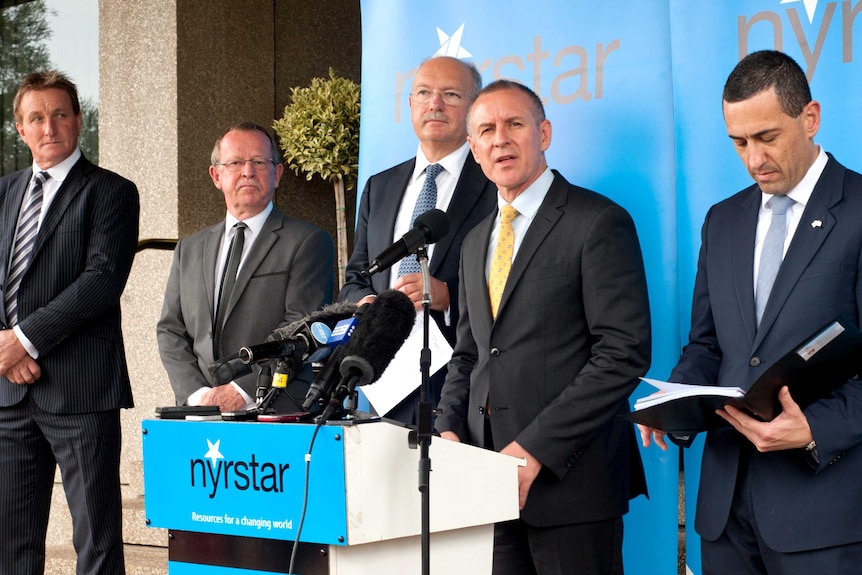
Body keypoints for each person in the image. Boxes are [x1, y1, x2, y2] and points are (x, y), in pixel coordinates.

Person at [638, 50, 862, 574]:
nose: (753, 158)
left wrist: (812, 428)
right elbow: (708, 344)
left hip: (826, 512)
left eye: (767, 137)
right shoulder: (723, 220)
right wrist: (679, 401)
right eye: (738, 142)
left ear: (810, 118)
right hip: (724, 514)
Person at [435, 79, 651, 575]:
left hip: (571, 489)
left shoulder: (598, 221)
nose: (499, 139)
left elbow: (622, 354)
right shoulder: (472, 242)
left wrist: (533, 450)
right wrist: (449, 427)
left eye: (514, 124)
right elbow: (469, 353)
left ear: (545, 132)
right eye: (485, 130)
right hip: (487, 490)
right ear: (473, 148)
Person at [0, 70, 140, 574]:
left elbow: (101, 281)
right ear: (20, 129)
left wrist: (24, 340)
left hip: (81, 392)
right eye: (36, 117)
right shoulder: (3, 193)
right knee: (11, 544)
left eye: (60, 114)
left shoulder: (111, 192)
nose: (49, 126)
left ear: (79, 121)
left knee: (96, 542)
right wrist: (8, 352)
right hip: (10, 398)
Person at [339, 56, 496, 424]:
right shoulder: (380, 186)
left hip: (462, 387)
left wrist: (449, 298)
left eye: (451, 95)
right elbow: (356, 277)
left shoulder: (495, 184)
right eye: (424, 93)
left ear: (474, 108)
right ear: (410, 105)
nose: (434, 104)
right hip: (382, 380)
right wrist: (365, 303)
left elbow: (515, 284)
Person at [157, 122, 333, 413]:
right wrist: (197, 395)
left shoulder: (307, 242)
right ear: (217, 175)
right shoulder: (189, 249)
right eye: (236, 162)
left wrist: (241, 390)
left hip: (275, 410)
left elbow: (300, 327)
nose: (248, 171)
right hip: (200, 414)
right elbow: (171, 329)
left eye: (259, 162)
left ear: (276, 174)